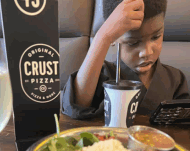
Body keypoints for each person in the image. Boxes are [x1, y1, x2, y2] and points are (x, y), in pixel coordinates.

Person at [62, 0, 190, 120]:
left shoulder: (176, 79)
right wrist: (103, 37)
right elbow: (75, 108)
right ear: (114, 38)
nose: (146, 52)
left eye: (156, 37)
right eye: (133, 43)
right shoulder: (100, 76)